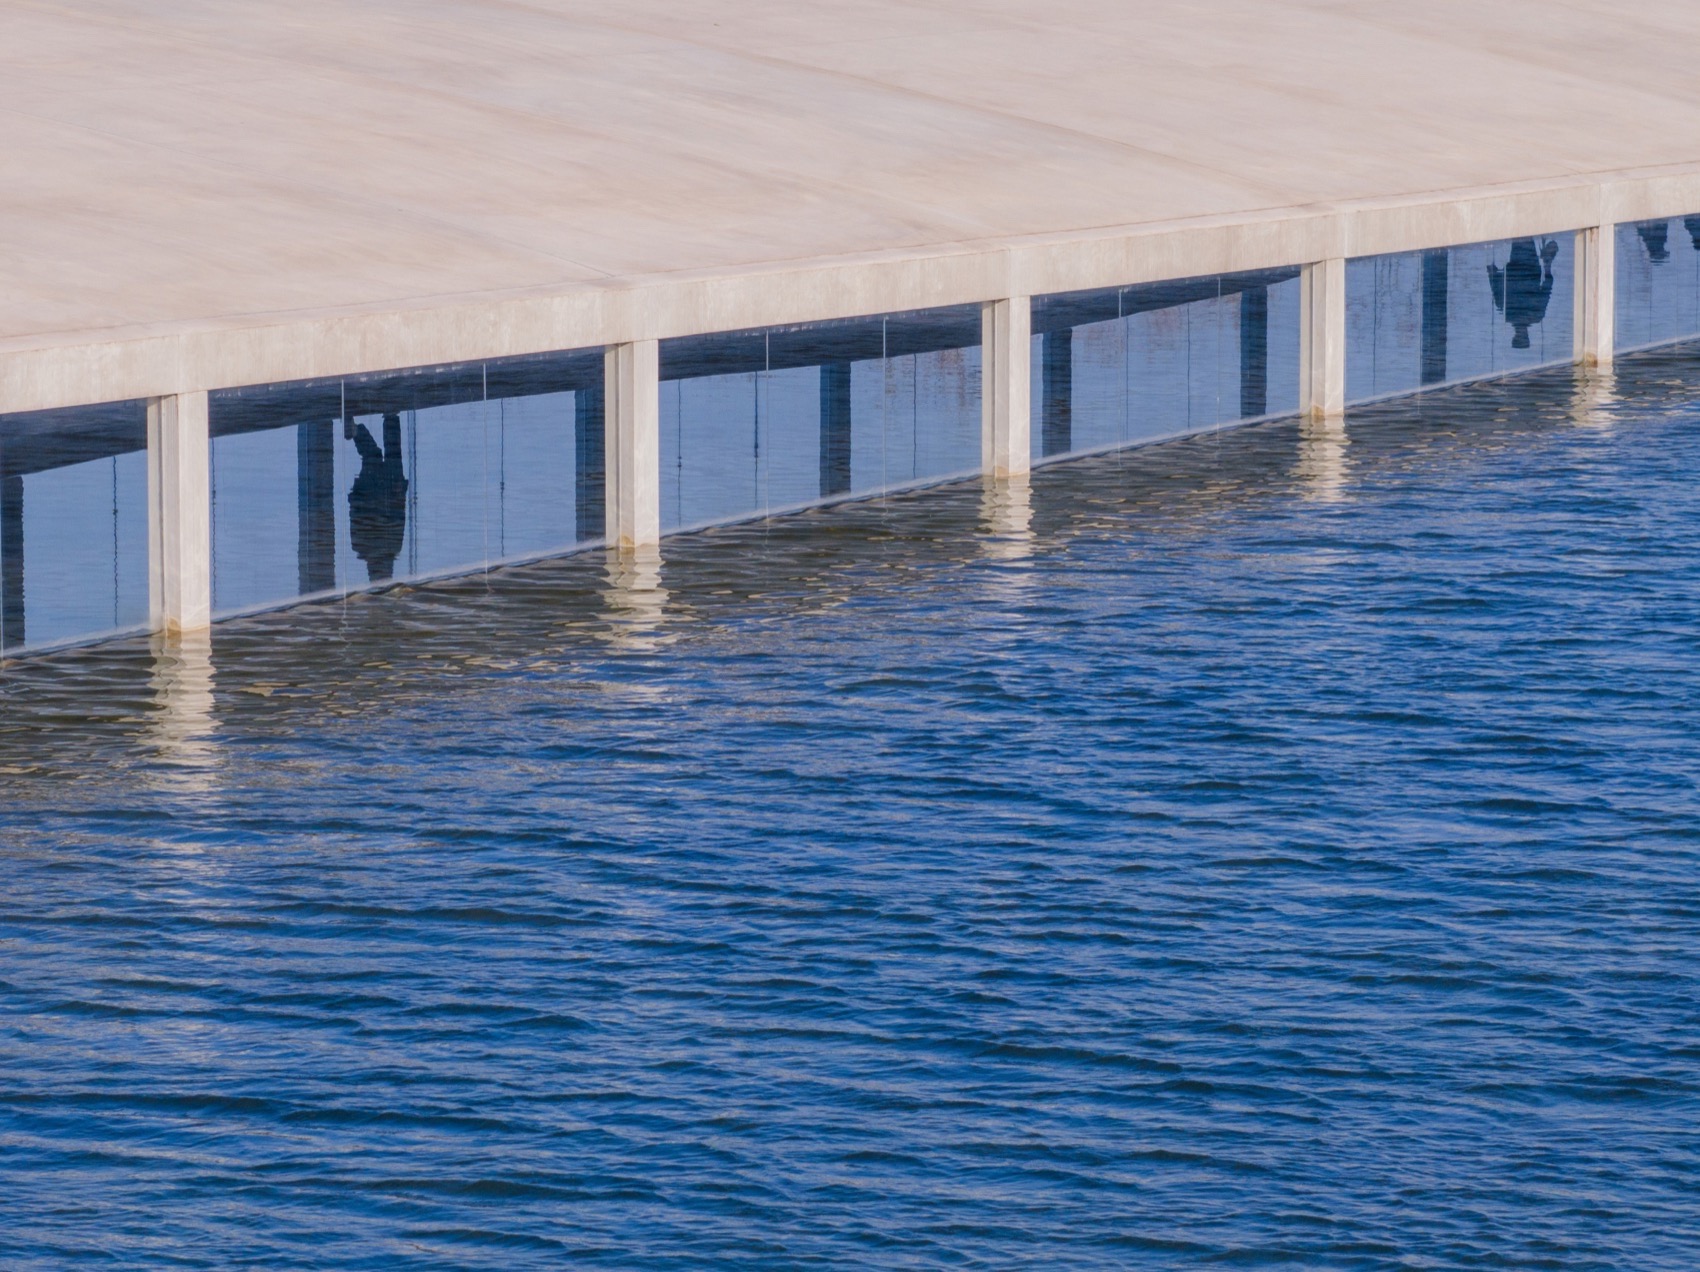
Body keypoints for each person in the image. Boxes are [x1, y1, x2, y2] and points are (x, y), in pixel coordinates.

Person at [346, 411, 408, 581]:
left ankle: (391, 414)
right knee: (371, 456)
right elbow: (354, 517)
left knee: (391, 450)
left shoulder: (394, 548)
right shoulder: (359, 547)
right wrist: (354, 497)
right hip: (368, 494)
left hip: (390, 491)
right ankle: (357, 432)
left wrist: (400, 492)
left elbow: (399, 517)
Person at [1487, 238, 1558, 350]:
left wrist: (1547, 265)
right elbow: (1493, 279)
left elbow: (1548, 285)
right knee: (1522, 238)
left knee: (1525, 238)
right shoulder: (1507, 315)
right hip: (1519, 267)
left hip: (1530, 268)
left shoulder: (1536, 316)